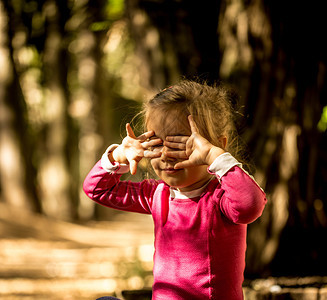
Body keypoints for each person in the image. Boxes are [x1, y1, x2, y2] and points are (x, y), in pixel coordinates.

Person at [83, 79, 267, 300]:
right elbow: (96, 189)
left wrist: (215, 157)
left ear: (217, 145)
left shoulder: (221, 197)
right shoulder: (157, 193)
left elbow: (251, 206)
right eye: (157, 144)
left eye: (182, 144)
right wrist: (118, 156)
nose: (166, 155)